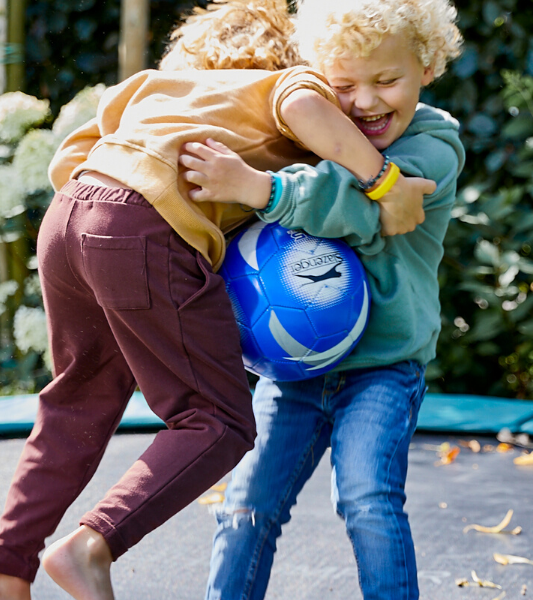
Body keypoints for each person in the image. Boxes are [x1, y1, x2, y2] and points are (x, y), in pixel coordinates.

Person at [0, 1, 436, 599]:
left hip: (69, 218)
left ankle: (4, 571)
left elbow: (69, 157)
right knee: (217, 419)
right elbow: (307, 108)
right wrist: (382, 180)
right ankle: (92, 544)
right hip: (144, 225)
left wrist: (102, 236)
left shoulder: (152, 88)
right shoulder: (278, 85)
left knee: (76, 402)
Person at [181, 0, 465, 598]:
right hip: (291, 369)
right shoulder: (315, 138)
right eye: (343, 85)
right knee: (246, 505)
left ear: (428, 66)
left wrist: (258, 188)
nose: (365, 102)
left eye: (388, 80)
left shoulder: (435, 147)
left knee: (367, 501)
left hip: (383, 369)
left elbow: (359, 209)